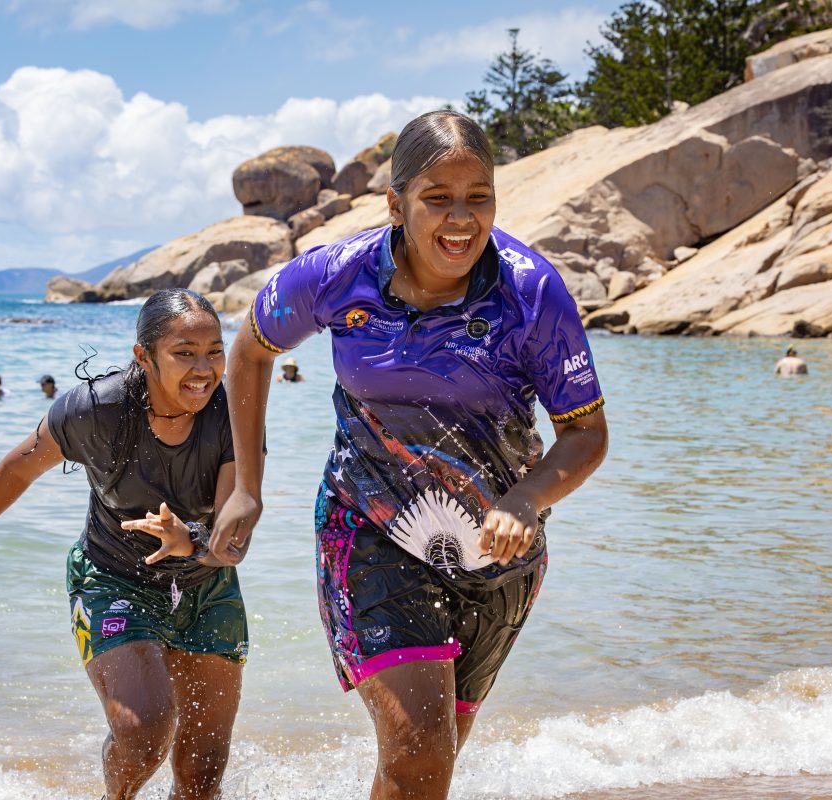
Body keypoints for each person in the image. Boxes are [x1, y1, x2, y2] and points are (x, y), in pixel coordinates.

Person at [213, 110, 608, 800]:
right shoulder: (337, 276)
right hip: (369, 528)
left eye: (478, 197)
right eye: (437, 198)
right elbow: (248, 350)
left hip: (498, 553)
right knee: (419, 747)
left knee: (435, 756)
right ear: (395, 204)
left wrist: (526, 499)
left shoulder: (530, 291)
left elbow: (586, 431)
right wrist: (247, 485)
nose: (461, 220)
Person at [0, 289, 250, 800]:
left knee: (204, 770)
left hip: (207, 588)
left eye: (214, 350)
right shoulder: (96, 411)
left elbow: (234, 535)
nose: (203, 368)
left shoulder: (234, 410)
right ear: (144, 356)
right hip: (113, 579)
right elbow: (17, 469)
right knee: (143, 735)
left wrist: (192, 541)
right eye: (184, 352)